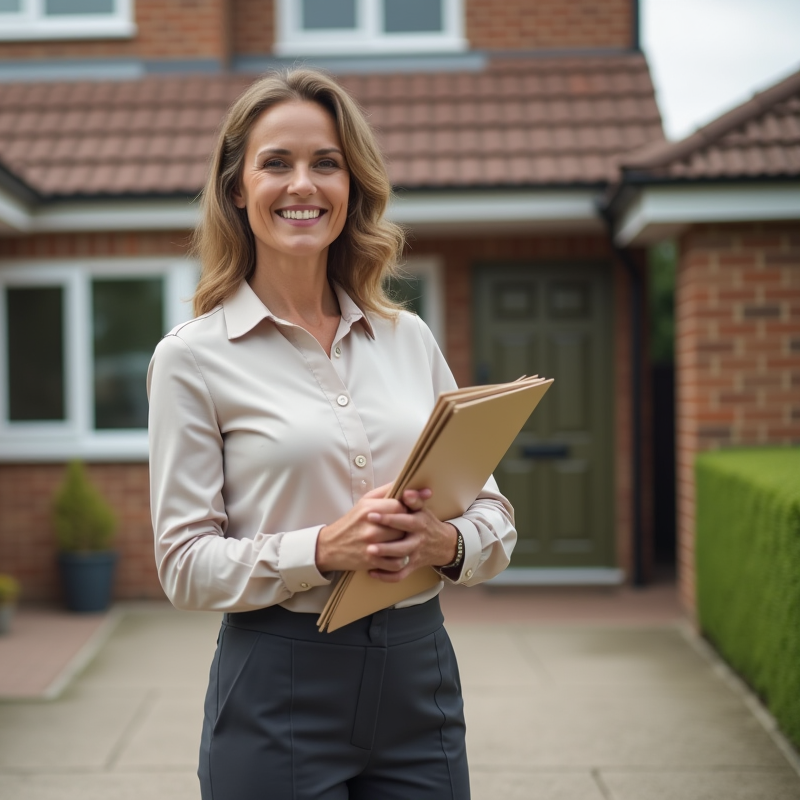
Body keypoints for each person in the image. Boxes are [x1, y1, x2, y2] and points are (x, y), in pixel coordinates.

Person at [146, 68, 517, 800]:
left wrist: (443, 545)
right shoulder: (192, 358)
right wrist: (321, 549)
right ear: (236, 189)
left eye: (326, 163)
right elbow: (184, 566)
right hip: (277, 686)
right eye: (276, 163)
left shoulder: (407, 338)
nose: (303, 185)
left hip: (420, 676)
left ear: (354, 187)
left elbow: (495, 516)